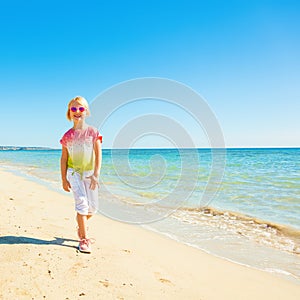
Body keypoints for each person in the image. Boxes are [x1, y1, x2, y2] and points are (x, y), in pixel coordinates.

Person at [60, 96, 102, 253]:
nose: (77, 111)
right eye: (74, 109)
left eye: (81, 108)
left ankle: (81, 223)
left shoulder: (93, 132)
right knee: (82, 205)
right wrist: (64, 178)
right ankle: (84, 239)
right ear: (69, 113)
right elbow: (64, 158)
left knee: (93, 208)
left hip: (90, 174)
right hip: (74, 173)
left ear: (87, 112)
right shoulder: (67, 136)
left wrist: (96, 174)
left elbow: (98, 155)